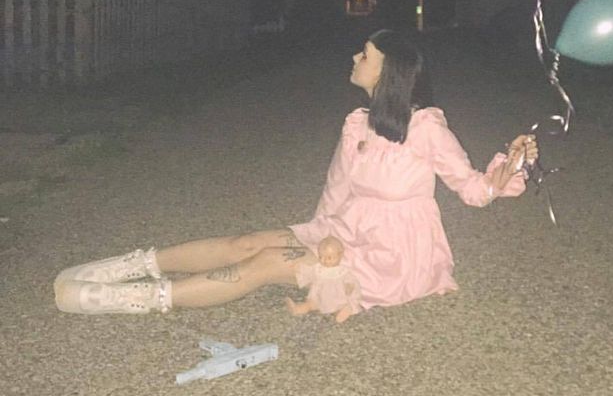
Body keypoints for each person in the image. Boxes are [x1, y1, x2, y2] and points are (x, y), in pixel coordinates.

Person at [54, 29, 535, 316]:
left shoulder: (426, 127)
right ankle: (134, 265)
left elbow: (474, 190)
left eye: (364, 55)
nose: (354, 59)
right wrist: (309, 236)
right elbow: (337, 189)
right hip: (347, 231)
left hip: (395, 256)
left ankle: (137, 300)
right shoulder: (357, 124)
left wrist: (511, 163)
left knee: (263, 266)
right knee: (250, 242)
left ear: (387, 71)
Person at [285, 235, 362, 323]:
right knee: (310, 304)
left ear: (340, 255)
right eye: (321, 257)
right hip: (319, 296)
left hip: (336, 297)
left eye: (329, 258)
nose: (325, 261)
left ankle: (343, 312)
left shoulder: (342, 271)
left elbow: (350, 280)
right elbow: (309, 271)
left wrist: (349, 286)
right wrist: (299, 268)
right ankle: (297, 309)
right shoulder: (318, 268)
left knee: (339, 305)